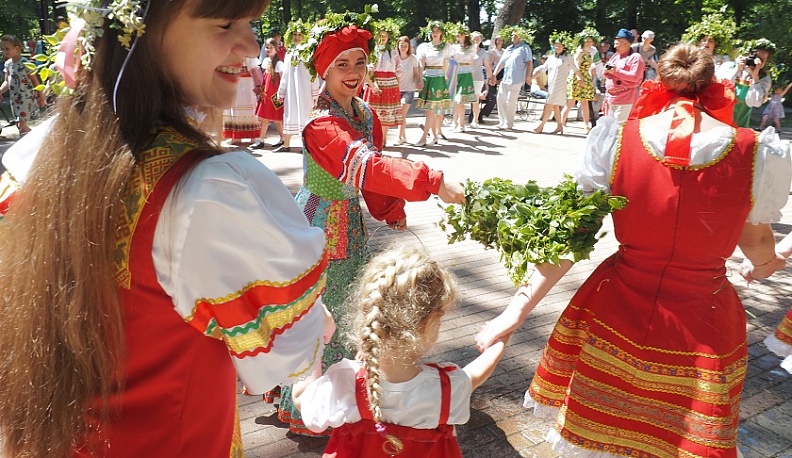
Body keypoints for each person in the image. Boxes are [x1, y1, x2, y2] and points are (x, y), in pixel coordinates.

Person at [0, 0, 336, 457]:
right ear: (144, 35)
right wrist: (313, 317)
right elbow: (286, 355)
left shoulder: (46, 154)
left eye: (249, 24)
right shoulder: (203, 192)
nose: (251, 45)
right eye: (225, 23)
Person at [475, 43, 791, 458]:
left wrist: (514, 313)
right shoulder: (756, 151)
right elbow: (759, 249)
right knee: (682, 439)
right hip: (704, 321)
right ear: (711, 83)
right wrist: (771, 262)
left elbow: (570, 240)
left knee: (603, 433)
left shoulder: (616, 137)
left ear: (660, 80)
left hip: (615, 309)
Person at [276, 14, 466, 436]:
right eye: (341, 64)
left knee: (348, 308)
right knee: (321, 313)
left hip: (350, 222)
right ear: (323, 70)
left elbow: (372, 175)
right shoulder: (321, 124)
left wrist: (389, 210)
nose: (353, 72)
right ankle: (309, 406)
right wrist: (432, 181)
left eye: (360, 62)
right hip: (316, 226)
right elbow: (365, 166)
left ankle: (342, 398)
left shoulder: (363, 113)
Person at [294, 246, 509, 457]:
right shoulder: (446, 387)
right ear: (429, 325)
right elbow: (474, 376)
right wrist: (502, 338)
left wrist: (313, 332)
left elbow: (302, 399)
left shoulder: (344, 380)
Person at [719, 39, 775, 128]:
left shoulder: (764, 78)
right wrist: (737, 69)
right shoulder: (729, 67)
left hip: (739, 125)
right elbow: (720, 90)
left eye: (762, 60)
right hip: (718, 122)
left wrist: (755, 77)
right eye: (755, 57)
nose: (756, 61)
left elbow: (754, 103)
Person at [532, 37, 582, 135]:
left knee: (548, 105)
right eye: (556, 45)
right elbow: (543, 69)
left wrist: (581, 79)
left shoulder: (567, 57)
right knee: (555, 106)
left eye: (560, 45)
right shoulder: (551, 58)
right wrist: (532, 77)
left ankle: (541, 126)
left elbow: (575, 69)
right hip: (551, 86)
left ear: (564, 47)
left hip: (560, 86)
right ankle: (559, 126)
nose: (557, 47)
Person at [415, 21, 453, 146]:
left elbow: (446, 63)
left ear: (441, 32)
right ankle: (434, 136)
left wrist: (444, 76)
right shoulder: (424, 47)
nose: (435, 33)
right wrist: (420, 79)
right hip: (427, 77)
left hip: (438, 78)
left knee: (430, 110)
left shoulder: (446, 47)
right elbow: (421, 64)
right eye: (433, 31)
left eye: (437, 31)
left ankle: (424, 138)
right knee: (429, 110)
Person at [364, 26, 403, 146]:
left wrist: (397, 86)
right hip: (375, 82)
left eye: (385, 36)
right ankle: (373, 138)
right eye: (380, 35)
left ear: (388, 37)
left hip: (390, 84)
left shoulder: (393, 51)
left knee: (387, 113)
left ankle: (384, 139)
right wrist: (373, 84)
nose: (383, 38)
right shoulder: (373, 50)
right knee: (373, 112)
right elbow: (368, 69)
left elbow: (398, 69)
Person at [0, 35, 45, 136]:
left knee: (22, 126)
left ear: (17, 49)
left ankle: (33, 140)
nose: (4, 51)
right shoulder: (8, 64)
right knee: (18, 125)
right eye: (2, 49)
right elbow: (7, 82)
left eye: (7, 49)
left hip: (26, 98)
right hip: (15, 100)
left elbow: (35, 81)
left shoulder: (25, 63)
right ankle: (34, 138)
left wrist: (41, 96)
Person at [491, 30, 533, 130]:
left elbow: (529, 62)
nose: (513, 37)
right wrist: (494, 75)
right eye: (512, 35)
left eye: (515, 35)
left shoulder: (525, 48)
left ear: (521, 36)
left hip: (517, 78)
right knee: (500, 99)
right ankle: (502, 122)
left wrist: (528, 76)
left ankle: (509, 123)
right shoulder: (509, 48)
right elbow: (501, 63)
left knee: (511, 100)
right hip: (506, 78)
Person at [602, 28, 645, 123]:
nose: (615, 46)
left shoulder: (636, 58)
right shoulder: (615, 56)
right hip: (610, 98)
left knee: (618, 128)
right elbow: (606, 73)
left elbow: (635, 77)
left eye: (617, 44)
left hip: (625, 99)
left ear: (626, 43)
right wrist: (606, 71)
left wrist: (616, 72)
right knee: (609, 126)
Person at [562, 30, 599, 133]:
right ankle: (562, 123)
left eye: (590, 41)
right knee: (571, 102)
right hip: (578, 77)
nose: (589, 43)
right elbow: (577, 66)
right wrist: (580, 78)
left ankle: (586, 125)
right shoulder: (580, 52)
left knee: (585, 102)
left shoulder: (589, 52)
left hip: (586, 77)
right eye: (587, 41)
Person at [221, 55, 262, 146]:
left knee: (248, 108)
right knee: (236, 107)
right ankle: (237, 137)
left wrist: (257, 85)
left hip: (246, 83)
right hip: (236, 82)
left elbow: (254, 70)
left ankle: (253, 136)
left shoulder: (249, 55)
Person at [253, 37, 285, 150]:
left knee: (275, 118)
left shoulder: (279, 63)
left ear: (276, 49)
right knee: (265, 117)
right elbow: (264, 78)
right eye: (267, 47)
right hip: (266, 92)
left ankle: (279, 139)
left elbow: (282, 79)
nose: (268, 49)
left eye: (271, 47)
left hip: (274, 94)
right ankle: (263, 139)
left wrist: (281, 93)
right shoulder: (266, 61)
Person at [450, 26, 477, 133]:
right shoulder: (454, 47)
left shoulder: (472, 47)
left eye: (460, 34)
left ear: (465, 35)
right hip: (456, 72)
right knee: (456, 100)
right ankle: (455, 122)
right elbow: (450, 59)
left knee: (460, 100)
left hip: (465, 73)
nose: (457, 36)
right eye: (456, 34)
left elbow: (471, 60)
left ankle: (461, 125)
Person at [395, 35, 422, 145]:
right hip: (396, 89)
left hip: (409, 89)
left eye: (405, 46)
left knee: (401, 112)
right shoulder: (394, 58)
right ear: (398, 46)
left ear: (409, 46)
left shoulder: (413, 59)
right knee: (400, 114)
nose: (403, 48)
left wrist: (418, 82)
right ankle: (404, 136)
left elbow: (416, 73)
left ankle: (399, 137)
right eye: (401, 45)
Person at [468, 31, 492, 128]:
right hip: (466, 76)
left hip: (478, 77)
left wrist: (491, 77)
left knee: (476, 99)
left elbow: (487, 66)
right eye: (474, 38)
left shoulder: (483, 53)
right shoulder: (467, 50)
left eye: (478, 38)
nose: (476, 40)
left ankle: (475, 120)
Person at [479, 35, 504, 122]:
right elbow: (489, 64)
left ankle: (482, 114)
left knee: (496, 97)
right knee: (491, 95)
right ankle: (478, 115)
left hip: (503, 72)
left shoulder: (504, 51)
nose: (499, 42)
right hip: (493, 72)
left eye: (501, 40)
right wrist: (492, 76)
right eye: (498, 40)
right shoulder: (492, 51)